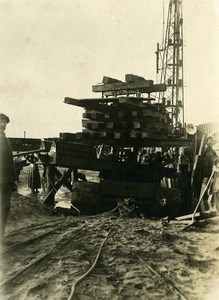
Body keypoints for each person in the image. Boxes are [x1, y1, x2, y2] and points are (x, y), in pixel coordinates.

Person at [0, 113, 17, 240]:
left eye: (5, 122)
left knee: (5, 208)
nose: (3, 125)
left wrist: (13, 179)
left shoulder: (5, 139)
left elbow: (9, 161)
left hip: (7, 181)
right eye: (1, 122)